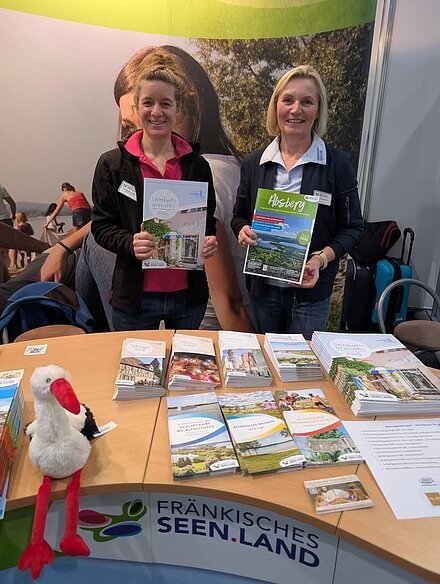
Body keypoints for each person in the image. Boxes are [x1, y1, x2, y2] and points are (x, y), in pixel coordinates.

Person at [114, 45, 254, 331]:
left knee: (94, 250)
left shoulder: (195, 177)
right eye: (131, 126)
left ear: (186, 107)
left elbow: (230, 303)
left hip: (199, 331)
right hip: (187, 316)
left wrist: (255, 354)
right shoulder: (230, 165)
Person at [231, 65, 363, 339]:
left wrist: (320, 259)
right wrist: (242, 231)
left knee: (301, 362)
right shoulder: (254, 163)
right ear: (276, 106)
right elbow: (238, 216)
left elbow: (353, 228)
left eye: (307, 102)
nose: (296, 109)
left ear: (318, 110)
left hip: (310, 296)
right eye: (288, 100)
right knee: (268, 358)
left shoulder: (337, 164)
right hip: (264, 292)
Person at [91, 50, 218, 330]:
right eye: (148, 102)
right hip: (135, 299)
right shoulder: (112, 165)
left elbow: (207, 221)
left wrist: (209, 240)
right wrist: (130, 243)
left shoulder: (197, 166)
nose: (156, 112)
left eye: (165, 103)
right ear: (137, 107)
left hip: (187, 298)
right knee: (135, 359)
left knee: (183, 359)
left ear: (178, 110)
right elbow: (101, 226)